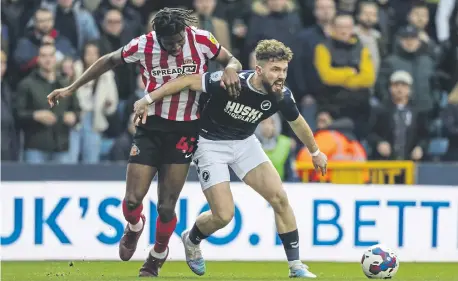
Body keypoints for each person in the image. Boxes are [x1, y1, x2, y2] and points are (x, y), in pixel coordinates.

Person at [46, 7, 242, 277]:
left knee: (166, 206)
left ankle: (157, 254)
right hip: (151, 126)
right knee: (131, 201)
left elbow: (231, 60)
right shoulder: (144, 45)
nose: (175, 47)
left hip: (186, 129)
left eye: (179, 41)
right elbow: (109, 60)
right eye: (169, 43)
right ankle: (135, 226)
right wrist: (71, 88)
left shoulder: (201, 39)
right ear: (157, 37)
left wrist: (231, 68)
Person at [133, 39, 328, 278]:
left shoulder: (282, 96)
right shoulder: (229, 82)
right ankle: (192, 239)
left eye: (284, 70)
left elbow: (297, 123)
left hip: (245, 143)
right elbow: (185, 81)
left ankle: (296, 266)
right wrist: (148, 99)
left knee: (279, 198)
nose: (281, 76)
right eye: (275, 69)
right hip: (209, 144)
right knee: (224, 216)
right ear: (259, 70)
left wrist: (315, 152)